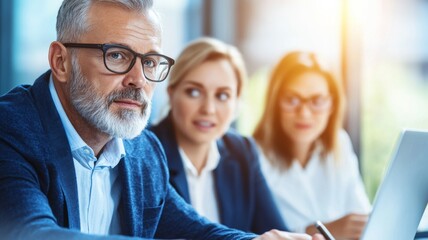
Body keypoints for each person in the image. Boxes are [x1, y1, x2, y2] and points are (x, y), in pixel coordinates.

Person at [0, 1, 326, 240]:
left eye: (151, 61)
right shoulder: (11, 128)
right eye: (117, 55)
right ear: (61, 61)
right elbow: (30, 233)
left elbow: (190, 227)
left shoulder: (142, 150)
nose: (138, 79)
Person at [150, 37, 288, 234]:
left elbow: (275, 230)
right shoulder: (146, 152)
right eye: (194, 92)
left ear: (237, 102)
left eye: (222, 95)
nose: (209, 109)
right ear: (172, 93)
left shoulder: (242, 151)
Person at [253, 51, 371, 240]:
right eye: (292, 100)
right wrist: (320, 231)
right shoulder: (250, 156)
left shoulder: (339, 144)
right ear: (275, 103)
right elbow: (249, 232)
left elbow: (361, 216)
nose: (304, 113)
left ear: (331, 105)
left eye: (317, 101)